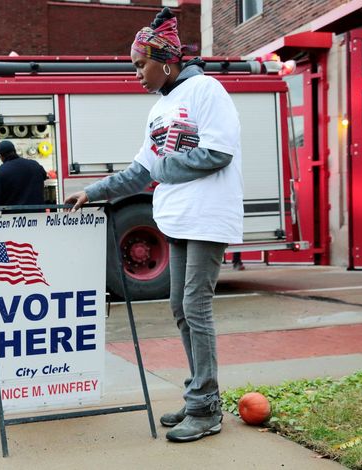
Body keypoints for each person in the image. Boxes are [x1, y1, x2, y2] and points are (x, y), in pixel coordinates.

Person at [65, 7, 243, 443]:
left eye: (140, 65)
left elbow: (217, 153)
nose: (137, 75)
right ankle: (198, 395)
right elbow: (139, 169)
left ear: (166, 61)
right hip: (178, 218)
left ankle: (207, 406)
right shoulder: (160, 110)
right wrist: (93, 191)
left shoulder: (207, 91)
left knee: (195, 308)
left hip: (207, 216)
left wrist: (161, 170)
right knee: (180, 309)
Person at [0, 140, 47, 206]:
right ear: (14, 151)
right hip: (38, 214)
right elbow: (44, 176)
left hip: (13, 214)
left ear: (0, 156)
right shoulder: (35, 165)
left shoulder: (0, 172)